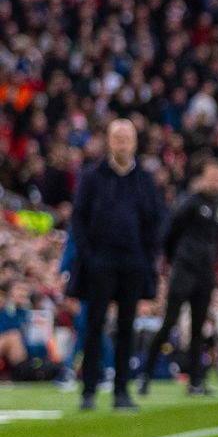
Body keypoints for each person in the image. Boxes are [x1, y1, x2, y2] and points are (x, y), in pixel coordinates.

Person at [70, 119, 164, 411]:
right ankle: (88, 390)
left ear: (135, 143)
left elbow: (156, 221)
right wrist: (89, 256)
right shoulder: (92, 176)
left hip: (133, 262)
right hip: (100, 262)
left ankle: (121, 391)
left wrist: (147, 257)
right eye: (117, 138)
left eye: (127, 139)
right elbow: (78, 219)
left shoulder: (145, 180)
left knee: (126, 327)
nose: (122, 144)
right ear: (109, 141)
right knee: (94, 324)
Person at [140, 157, 218, 396]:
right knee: (169, 323)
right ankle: (145, 374)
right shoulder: (189, 203)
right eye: (212, 176)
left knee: (199, 328)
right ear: (202, 177)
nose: (216, 181)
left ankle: (196, 381)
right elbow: (169, 233)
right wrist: (174, 262)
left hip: (205, 274)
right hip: (184, 271)